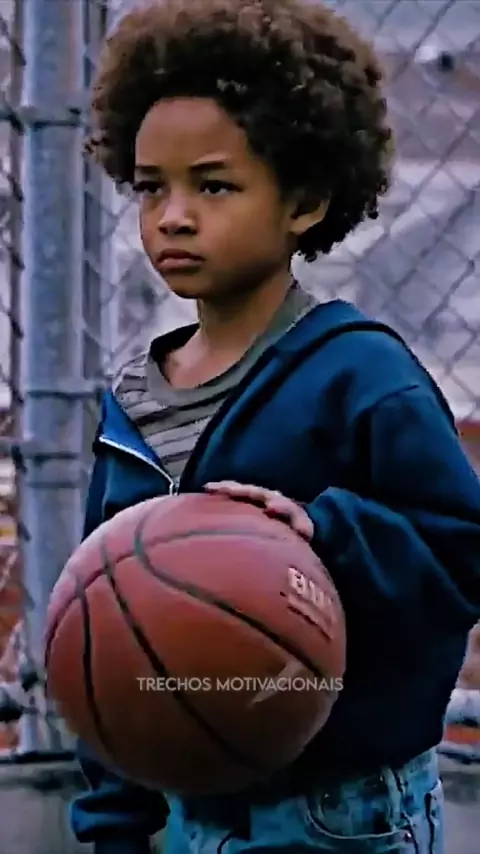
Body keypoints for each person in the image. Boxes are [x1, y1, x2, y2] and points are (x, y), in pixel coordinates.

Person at [69, 1, 480, 852]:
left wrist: (327, 539)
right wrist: (115, 824)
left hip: (347, 815)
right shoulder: (133, 405)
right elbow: (106, 629)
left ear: (306, 199)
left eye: (213, 185)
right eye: (152, 187)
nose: (173, 215)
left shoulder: (361, 377)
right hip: (191, 818)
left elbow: (463, 551)